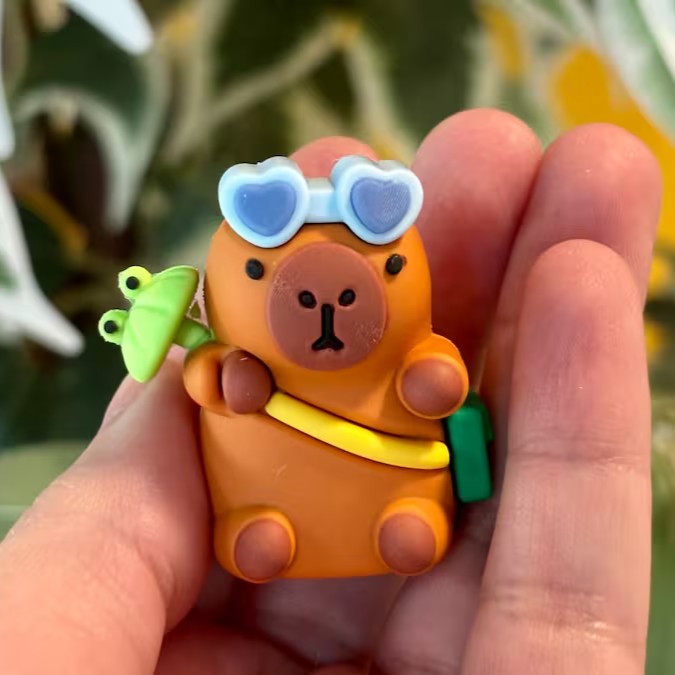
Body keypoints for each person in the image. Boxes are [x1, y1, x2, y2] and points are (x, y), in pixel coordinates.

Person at [0, 109, 660, 674]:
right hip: (267, 500)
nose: (326, 301)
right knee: (259, 537)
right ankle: (264, 527)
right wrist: (225, 376)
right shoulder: (230, 355)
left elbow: (434, 365)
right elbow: (205, 380)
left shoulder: (405, 345)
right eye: (258, 271)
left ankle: (405, 522)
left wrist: (431, 378)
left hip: (394, 487)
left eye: (387, 268)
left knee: (410, 530)